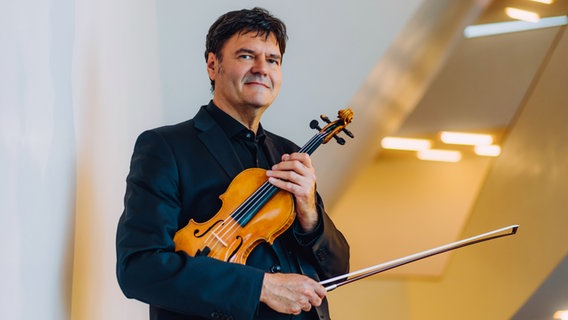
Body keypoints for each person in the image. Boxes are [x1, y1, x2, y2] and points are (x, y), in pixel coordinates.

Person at [116, 7, 350, 320]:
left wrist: (310, 213)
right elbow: (140, 269)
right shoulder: (166, 147)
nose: (261, 69)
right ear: (213, 65)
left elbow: (336, 271)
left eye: (272, 60)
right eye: (245, 56)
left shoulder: (289, 154)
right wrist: (261, 287)